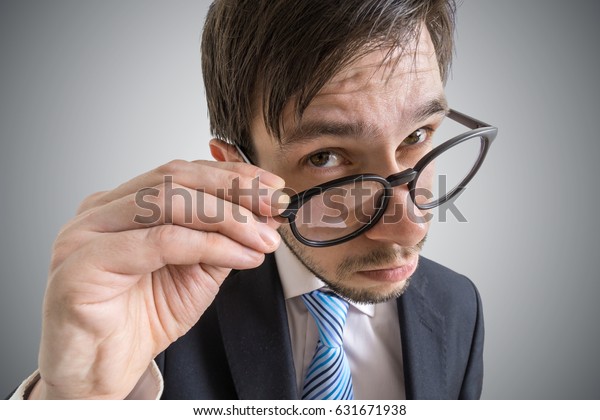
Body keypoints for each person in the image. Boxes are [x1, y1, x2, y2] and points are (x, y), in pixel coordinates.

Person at [10, 0, 495, 400]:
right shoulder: (151, 323)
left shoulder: (459, 307)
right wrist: (78, 397)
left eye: (417, 134)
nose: (410, 225)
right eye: (326, 156)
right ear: (236, 168)